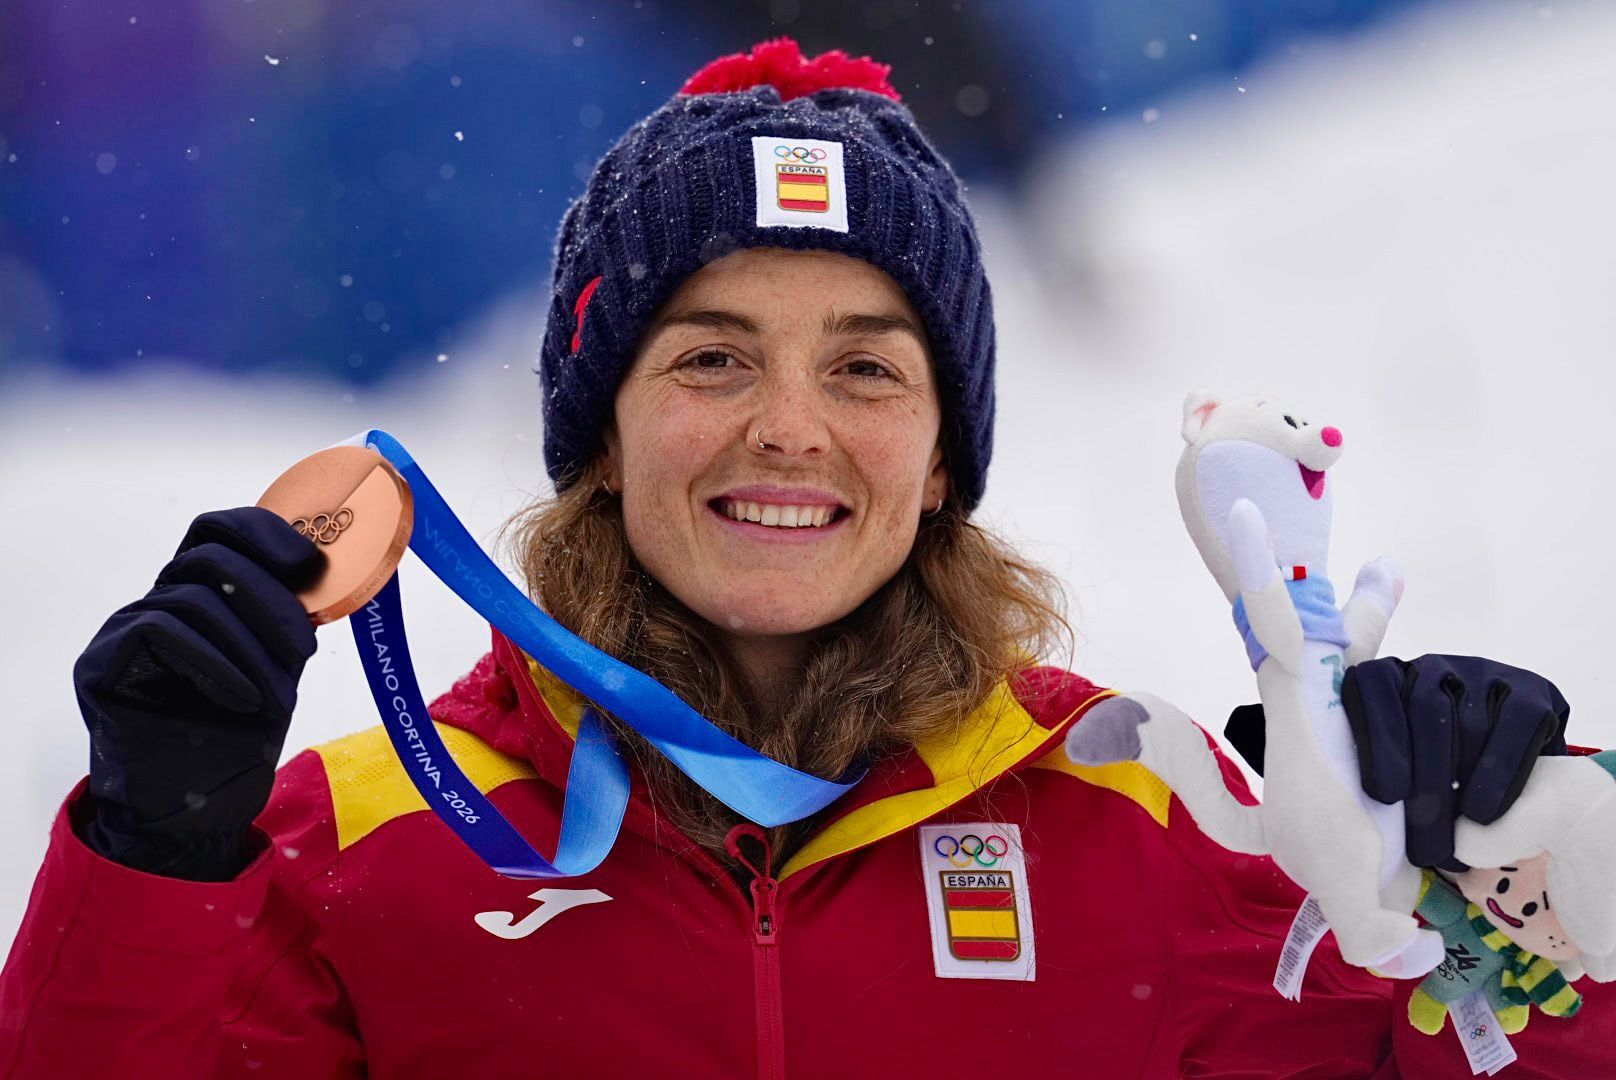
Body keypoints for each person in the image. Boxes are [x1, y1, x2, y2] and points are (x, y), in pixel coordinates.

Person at [0, 38, 1608, 1078]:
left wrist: (1536, 849)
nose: (790, 427)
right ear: (601, 435)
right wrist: (150, 852)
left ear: (941, 459)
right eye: (708, 360)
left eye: (864, 368)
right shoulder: (363, 849)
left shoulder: (1143, 826)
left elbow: (1523, 1041)